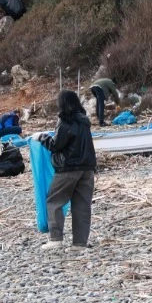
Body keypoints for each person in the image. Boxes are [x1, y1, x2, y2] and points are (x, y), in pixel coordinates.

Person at [41, 90, 97, 248]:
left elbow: (56, 145)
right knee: (82, 205)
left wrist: (42, 137)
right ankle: (80, 243)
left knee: (54, 202)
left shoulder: (65, 121)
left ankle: (56, 239)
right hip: (87, 169)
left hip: (68, 169)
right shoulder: (84, 121)